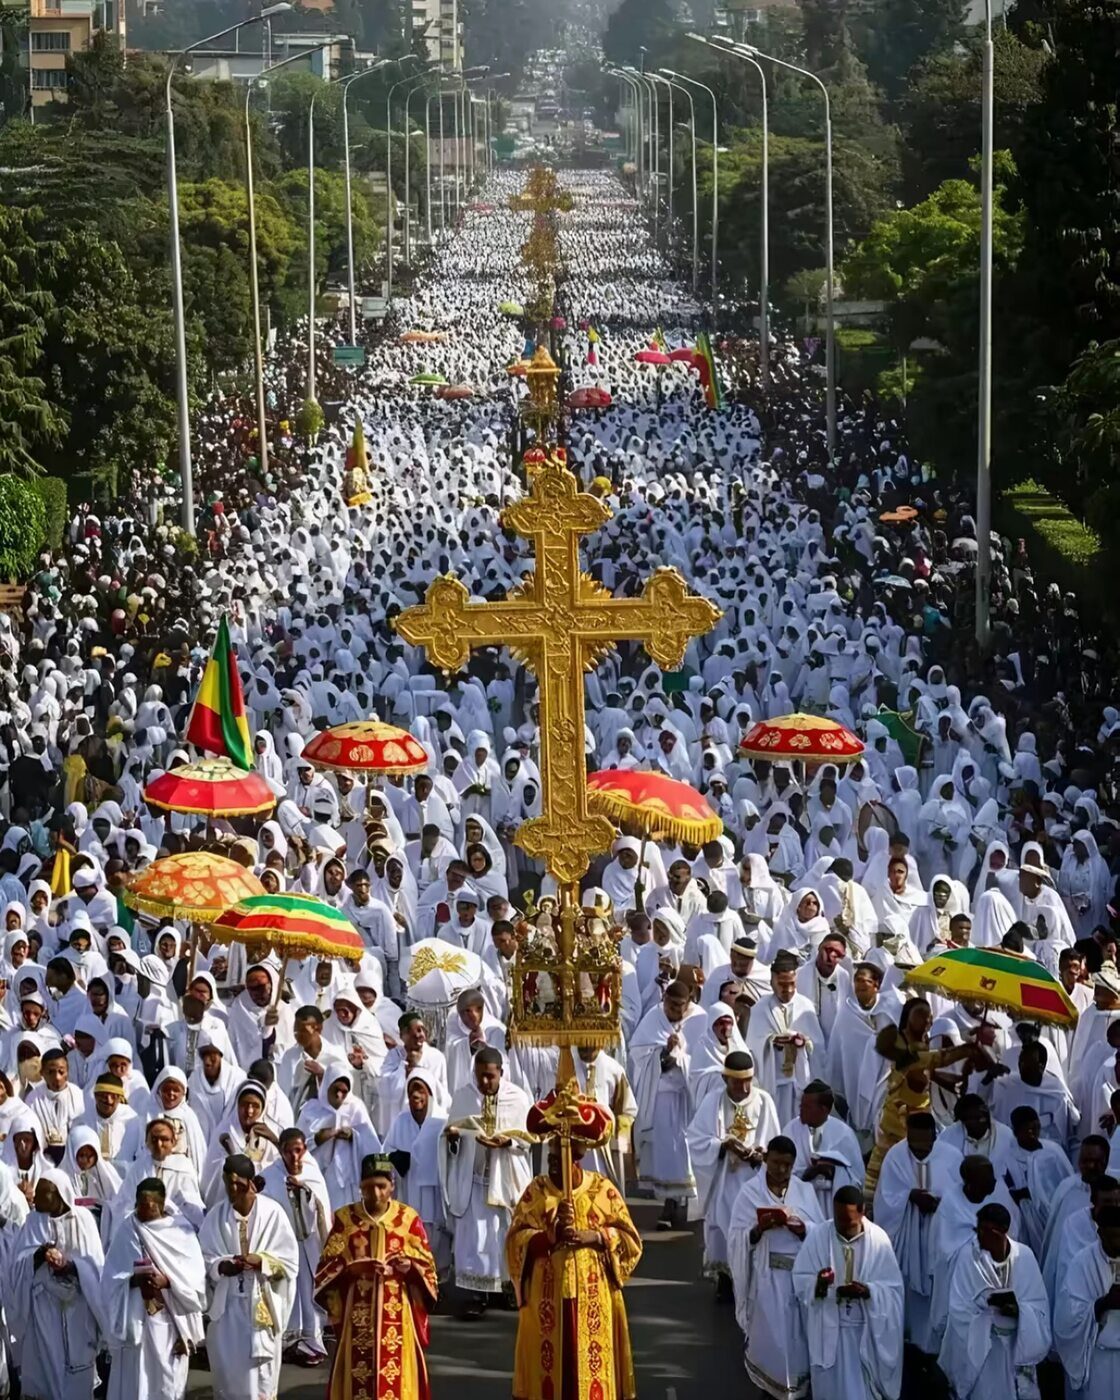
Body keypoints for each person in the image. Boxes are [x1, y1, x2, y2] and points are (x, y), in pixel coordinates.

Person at [505, 1098, 642, 1400]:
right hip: (547, 1295)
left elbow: (630, 1240)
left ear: (577, 1156)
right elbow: (515, 1240)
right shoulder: (536, 1192)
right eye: (552, 1150)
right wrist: (547, 1238)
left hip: (593, 1295)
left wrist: (596, 1237)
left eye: (561, 1152)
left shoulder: (602, 1190)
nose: (554, 1158)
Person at [314, 1153, 438, 1400]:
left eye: (381, 1186)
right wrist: (351, 1269)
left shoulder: (408, 1219)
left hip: (397, 1311)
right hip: (356, 1314)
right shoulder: (345, 1219)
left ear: (392, 1185)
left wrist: (410, 1267)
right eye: (369, 1187)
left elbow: (429, 1269)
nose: (376, 1194)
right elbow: (324, 1269)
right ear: (360, 1186)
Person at [439, 1046, 533, 1315]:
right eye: (479, 1075)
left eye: (490, 1076)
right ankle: (477, 1294)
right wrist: (454, 1137)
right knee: (476, 1238)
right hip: (474, 1178)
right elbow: (449, 1137)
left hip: (506, 1178)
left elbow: (528, 1140)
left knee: (504, 1234)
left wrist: (508, 1142)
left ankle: (508, 1288)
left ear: (501, 1072)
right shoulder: (464, 1096)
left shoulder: (517, 1098)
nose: (484, 1082)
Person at [727, 1134, 822, 1399]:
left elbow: (821, 1232)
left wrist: (804, 1229)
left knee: (797, 1341)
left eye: (787, 1165)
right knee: (772, 1340)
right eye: (777, 1163)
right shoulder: (749, 1192)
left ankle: (797, 1390)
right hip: (766, 1278)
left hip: (799, 1279)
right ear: (766, 1159)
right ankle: (770, 1389)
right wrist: (759, 1229)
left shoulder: (804, 1191)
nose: (781, 1170)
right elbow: (736, 1237)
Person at [199, 1153, 299, 1400]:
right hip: (228, 1309)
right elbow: (203, 1258)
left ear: (251, 1182)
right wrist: (221, 1267)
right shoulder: (215, 1217)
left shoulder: (273, 1213)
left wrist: (262, 1261)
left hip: (261, 1306)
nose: (232, 1189)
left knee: (260, 1379)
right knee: (229, 1375)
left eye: (238, 1183)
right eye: (228, 1183)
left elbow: (289, 1262)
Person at [100, 1176, 207, 1400]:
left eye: (148, 1206)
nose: (142, 1210)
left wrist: (167, 1281)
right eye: (139, 1204)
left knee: (167, 1383)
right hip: (137, 1319)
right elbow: (110, 1278)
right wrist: (133, 1280)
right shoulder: (128, 1229)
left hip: (171, 1322)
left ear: (160, 1204)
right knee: (137, 1382)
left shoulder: (180, 1231)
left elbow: (195, 1279)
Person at [793, 1186, 904, 1399]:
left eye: (848, 1221)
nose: (842, 1226)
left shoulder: (879, 1240)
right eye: (838, 1220)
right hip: (829, 1331)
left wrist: (868, 1291)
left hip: (864, 1333)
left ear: (863, 1212)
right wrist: (819, 1284)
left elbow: (894, 1291)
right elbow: (800, 1279)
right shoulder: (818, 1236)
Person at [686, 1049, 780, 1294]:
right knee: (723, 1228)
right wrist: (723, 1145)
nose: (744, 1088)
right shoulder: (713, 1101)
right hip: (724, 1181)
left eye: (748, 1081)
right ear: (725, 1078)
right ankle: (726, 1279)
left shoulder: (764, 1101)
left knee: (752, 1228)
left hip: (753, 1180)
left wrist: (762, 1154)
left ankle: (751, 1281)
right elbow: (695, 1139)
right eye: (737, 1082)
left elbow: (775, 1142)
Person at [937, 1201, 1050, 1400]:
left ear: (1003, 1231)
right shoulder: (968, 1257)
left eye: (987, 1231)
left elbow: (1039, 1307)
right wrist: (986, 1310)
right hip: (984, 1353)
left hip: (1016, 1348)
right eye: (978, 1229)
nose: (980, 1236)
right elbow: (958, 1307)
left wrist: (1019, 1311)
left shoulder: (1024, 1256)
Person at [9, 1169, 106, 1400]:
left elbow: (95, 1266)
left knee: (76, 1375)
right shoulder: (33, 1221)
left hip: (77, 1309)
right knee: (45, 1370)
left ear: (60, 1195)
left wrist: (71, 1267)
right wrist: (39, 1255)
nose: (36, 1198)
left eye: (44, 1193)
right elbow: (17, 1265)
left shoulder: (83, 1220)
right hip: (44, 1311)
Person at [872, 1111, 962, 1356]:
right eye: (914, 1145)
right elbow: (885, 1199)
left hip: (939, 1233)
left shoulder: (952, 1157)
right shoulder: (895, 1155)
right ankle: (909, 1341)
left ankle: (936, 1345)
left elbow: (960, 1197)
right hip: (907, 1236)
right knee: (908, 1291)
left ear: (935, 1136)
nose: (920, 1151)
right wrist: (909, 1196)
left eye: (925, 1145)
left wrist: (940, 1203)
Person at [261, 1126, 333, 1368]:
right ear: (281, 1151)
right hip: (284, 1244)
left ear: (305, 1149)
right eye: (288, 1151)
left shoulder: (312, 1173)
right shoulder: (270, 1175)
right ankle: (289, 1341)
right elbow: (266, 1207)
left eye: (298, 1150)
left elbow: (322, 1206)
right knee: (287, 1291)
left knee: (310, 1289)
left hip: (310, 1242)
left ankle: (312, 1341)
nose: (294, 1157)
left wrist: (306, 1193)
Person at [1054, 1202, 1120, 1399]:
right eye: (1112, 1237)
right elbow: (1066, 1317)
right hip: (1101, 1358)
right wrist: (1103, 1303)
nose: (1117, 1243)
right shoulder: (1082, 1263)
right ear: (1100, 1234)